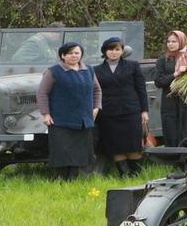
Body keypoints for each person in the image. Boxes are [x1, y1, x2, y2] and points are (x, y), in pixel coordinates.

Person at [39, 40, 99, 179]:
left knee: (79, 153)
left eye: (77, 53)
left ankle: (73, 179)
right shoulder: (53, 71)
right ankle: (60, 181)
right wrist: (46, 114)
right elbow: (42, 93)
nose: (74, 56)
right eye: (70, 53)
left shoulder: (89, 70)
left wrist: (96, 108)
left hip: (83, 120)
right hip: (60, 120)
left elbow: (97, 90)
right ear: (63, 55)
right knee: (63, 152)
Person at [93, 35, 149, 178]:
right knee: (115, 146)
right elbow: (94, 91)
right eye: (110, 50)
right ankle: (124, 175)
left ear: (122, 51)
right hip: (108, 113)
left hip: (130, 111)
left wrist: (144, 110)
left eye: (117, 49)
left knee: (133, 145)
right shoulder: (96, 70)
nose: (114, 52)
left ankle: (136, 175)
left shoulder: (133, 65)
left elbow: (141, 89)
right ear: (104, 52)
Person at [151, 30, 187, 148]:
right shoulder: (162, 60)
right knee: (171, 131)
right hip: (170, 101)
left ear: (181, 41)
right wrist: (175, 74)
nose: (171, 44)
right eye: (169, 41)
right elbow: (159, 82)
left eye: (174, 41)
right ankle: (174, 160)